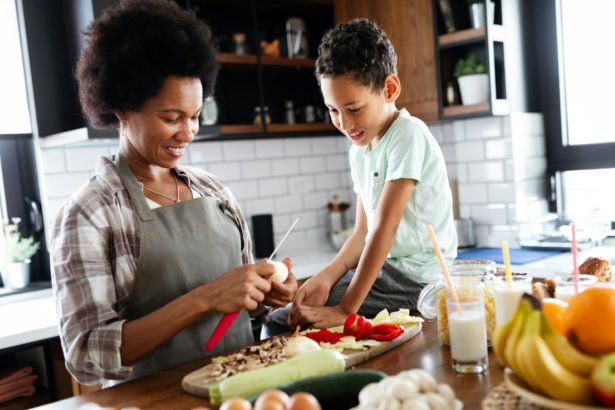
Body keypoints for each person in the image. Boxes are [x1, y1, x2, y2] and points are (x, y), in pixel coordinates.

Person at [51, 0, 297, 386]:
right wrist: (205, 298)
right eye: (171, 118)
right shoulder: (91, 212)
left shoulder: (214, 192)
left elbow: (243, 317)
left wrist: (264, 296)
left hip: (242, 389)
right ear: (122, 108)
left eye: (195, 115)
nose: (189, 132)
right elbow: (85, 355)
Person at [263, 19, 457, 336]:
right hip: (387, 273)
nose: (343, 122)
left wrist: (344, 309)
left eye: (353, 108)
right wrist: (326, 276)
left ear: (390, 89)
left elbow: (385, 228)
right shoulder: (360, 150)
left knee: (289, 324)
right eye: (333, 110)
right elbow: (362, 231)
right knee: (285, 318)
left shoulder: (408, 134)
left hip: (419, 281)